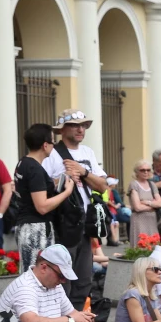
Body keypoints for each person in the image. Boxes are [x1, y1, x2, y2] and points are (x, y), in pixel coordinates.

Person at [43, 110, 109, 310]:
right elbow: (43, 186)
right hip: (63, 222)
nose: (80, 129)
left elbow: (102, 186)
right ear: (62, 129)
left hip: (85, 222)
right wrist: (64, 177)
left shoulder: (88, 152)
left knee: (83, 278)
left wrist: (83, 171)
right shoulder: (52, 153)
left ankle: (77, 320)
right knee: (63, 277)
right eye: (74, 125)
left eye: (83, 125)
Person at [14, 123, 76, 271]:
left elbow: (34, 190)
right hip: (36, 228)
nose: (54, 146)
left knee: (30, 273)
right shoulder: (35, 169)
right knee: (36, 275)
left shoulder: (23, 162)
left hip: (27, 226)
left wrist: (56, 183)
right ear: (45, 145)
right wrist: (66, 192)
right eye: (53, 141)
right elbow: (42, 206)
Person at [128, 161, 161, 248]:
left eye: (148, 170)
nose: (146, 172)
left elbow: (160, 203)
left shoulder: (152, 185)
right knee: (140, 247)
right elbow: (137, 207)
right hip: (139, 220)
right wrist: (153, 206)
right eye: (142, 170)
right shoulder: (134, 184)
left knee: (153, 246)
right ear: (136, 172)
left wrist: (147, 202)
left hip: (152, 221)